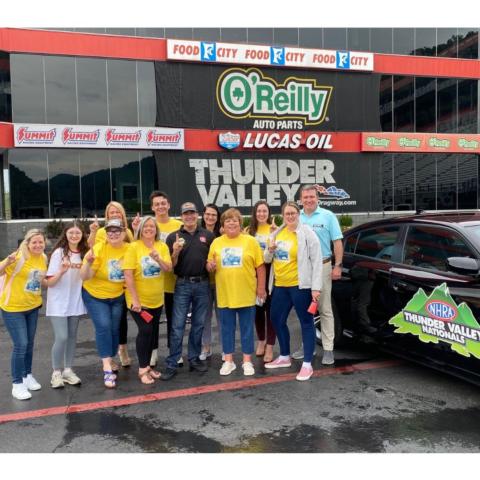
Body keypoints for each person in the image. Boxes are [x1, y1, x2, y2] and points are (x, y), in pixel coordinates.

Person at [264, 201, 323, 381]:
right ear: (283, 215)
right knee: (276, 319)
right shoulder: (277, 233)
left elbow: (317, 261)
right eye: (287, 213)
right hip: (280, 285)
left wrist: (315, 288)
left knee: (306, 322)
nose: (290, 216)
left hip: (300, 286)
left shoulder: (307, 234)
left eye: (293, 213)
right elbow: (266, 259)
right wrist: (271, 250)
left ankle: (307, 364)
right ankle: (284, 356)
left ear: (298, 214)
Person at [207, 208, 266, 376]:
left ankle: (247, 361)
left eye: (235, 220)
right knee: (226, 329)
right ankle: (229, 361)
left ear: (240, 224)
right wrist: (209, 266)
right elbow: (209, 263)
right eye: (228, 220)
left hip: (246, 293)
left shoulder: (250, 241)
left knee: (247, 328)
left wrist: (261, 288)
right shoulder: (217, 243)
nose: (231, 223)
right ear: (223, 225)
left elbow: (260, 267)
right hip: (225, 294)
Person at [161, 202, 215, 381]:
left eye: (192, 213)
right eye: (186, 214)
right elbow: (171, 266)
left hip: (202, 283)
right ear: (181, 216)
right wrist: (175, 252)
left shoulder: (207, 235)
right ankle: (172, 362)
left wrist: (211, 266)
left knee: (198, 324)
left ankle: (193, 358)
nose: (189, 216)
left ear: (197, 215)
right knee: (177, 326)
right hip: (182, 284)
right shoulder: (173, 237)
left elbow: (211, 260)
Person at [294, 184, 343, 365]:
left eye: (312, 197)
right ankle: (306, 346)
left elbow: (337, 242)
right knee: (303, 309)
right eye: (305, 197)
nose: (308, 200)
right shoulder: (296, 217)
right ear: (301, 199)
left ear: (317, 198)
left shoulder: (328, 216)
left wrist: (337, 266)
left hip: (323, 266)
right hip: (301, 269)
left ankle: (328, 349)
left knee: (324, 308)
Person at [88, 201, 140, 368]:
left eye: (118, 212)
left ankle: (122, 349)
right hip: (108, 284)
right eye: (112, 212)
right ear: (107, 215)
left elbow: (134, 249)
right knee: (110, 323)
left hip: (125, 283)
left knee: (121, 321)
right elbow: (93, 248)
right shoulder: (103, 232)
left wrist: (136, 229)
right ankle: (112, 356)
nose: (115, 214)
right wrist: (93, 232)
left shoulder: (128, 231)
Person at [80, 218, 130, 388]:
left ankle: (111, 357)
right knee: (104, 326)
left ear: (124, 232)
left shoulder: (129, 249)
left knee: (115, 329)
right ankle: (107, 366)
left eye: (117, 231)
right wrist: (88, 262)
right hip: (95, 295)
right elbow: (84, 277)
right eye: (110, 231)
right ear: (106, 234)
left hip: (117, 296)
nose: (113, 234)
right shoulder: (99, 248)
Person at [123, 216, 172, 384]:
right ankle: (143, 369)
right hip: (138, 301)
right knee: (145, 330)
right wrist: (136, 301)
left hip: (157, 300)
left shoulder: (162, 246)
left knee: (152, 332)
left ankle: (149, 367)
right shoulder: (133, 248)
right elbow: (128, 275)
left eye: (152, 226)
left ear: (156, 229)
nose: (149, 229)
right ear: (140, 229)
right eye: (146, 226)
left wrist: (158, 258)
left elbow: (168, 268)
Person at [0, 229, 48, 400]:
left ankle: (27, 375)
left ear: (45, 243)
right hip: (13, 307)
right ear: (27, 243)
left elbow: (41, 281)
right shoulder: (18, 257)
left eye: (40, 242)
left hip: (32, 306)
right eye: (34, 242)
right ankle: (17, 383)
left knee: (29, 343)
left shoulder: (43, 258)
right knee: (21, 344)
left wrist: (62, 274)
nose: (37, 245)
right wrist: (6, 262)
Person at [45, 222, 89, 389]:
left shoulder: (85, 253)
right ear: (66, 234)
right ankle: (56, 372)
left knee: (71, 337)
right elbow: (50, 282)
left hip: (75, 301)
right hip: (58, 302)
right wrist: (62, 271)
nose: (74, 235)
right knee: (62, 337)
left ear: (82, 235)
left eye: (78, 233)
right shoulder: (59, 253)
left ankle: (68, 370)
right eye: (71, 232)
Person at [149, 190, 183, 367]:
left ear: (168, 205)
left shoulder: (179, 225)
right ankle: (152, 352)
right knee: (152, 321)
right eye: (157, 204)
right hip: (151, 282)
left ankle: (174, 351)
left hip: (172, 281)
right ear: (152, 207)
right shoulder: (148, 225)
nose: (160, 206)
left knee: (174, 320)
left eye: (163, 203)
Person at [245, 200, 277, 363]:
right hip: (254, 275)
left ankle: (270, 346)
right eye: (259, 211)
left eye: (265, 211)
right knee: (258, 309)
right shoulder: (248, 231)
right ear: (254, 213)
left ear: (269, 213)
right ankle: (262, 340)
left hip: (271, 274)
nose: (262, 214)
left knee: (271, 311)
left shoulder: (275, 230)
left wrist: (275, 233)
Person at [199, 203, 222, 360]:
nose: (210, 217)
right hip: (203, 282)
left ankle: (224, 349)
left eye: (214, 214)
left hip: (221, 281)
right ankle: (206, 348)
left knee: (222, 317)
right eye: (208, 214)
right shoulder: (197, 232)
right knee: (204, 317)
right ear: (203, 215)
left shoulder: (223, 233)